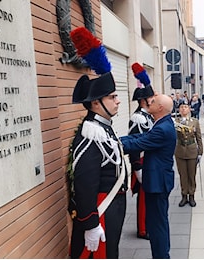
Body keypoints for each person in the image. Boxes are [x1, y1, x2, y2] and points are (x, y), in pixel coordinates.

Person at [68, 27, 126, 259]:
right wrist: (90, 224)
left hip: (112, 208)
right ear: (95, 103)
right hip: (101, 210)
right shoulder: (91, 133)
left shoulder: (103, 129)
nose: (118, 101)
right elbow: (84, 184)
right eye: (112, 97)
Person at [120, 94, 176, 259]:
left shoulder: (163, 129)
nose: (149, 102)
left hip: (158, 183)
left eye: (153, 101)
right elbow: (141, 137)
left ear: (160, 108)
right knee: (158, 223)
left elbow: (139, 143)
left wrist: (113, 144)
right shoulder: (162, 124)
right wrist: (117, 139)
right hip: (159, 181)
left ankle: (161, 256)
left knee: (157, 225)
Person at [128, 62, 156, 240]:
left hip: (150, 160)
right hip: (142, 161)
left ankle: (148, 225)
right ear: (143, 101)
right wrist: (137, 167)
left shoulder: (147, 116)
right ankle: (143, 228)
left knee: (150, 196)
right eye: (150, 98)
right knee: (144, 197)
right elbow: (134, 143)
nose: (153, 100)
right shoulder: (138, 117)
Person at [174, 99, 203, 207]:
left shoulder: (194, 121)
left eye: (185, 107)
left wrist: (200, 152)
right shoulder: (176, 121)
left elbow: (198, 137)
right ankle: (184, 195)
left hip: (191, 150)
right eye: (181, 107)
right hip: (180, 151)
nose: (183, 109)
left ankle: (191, 195)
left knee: (192, 174)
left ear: (189, 109)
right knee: (183, 175)